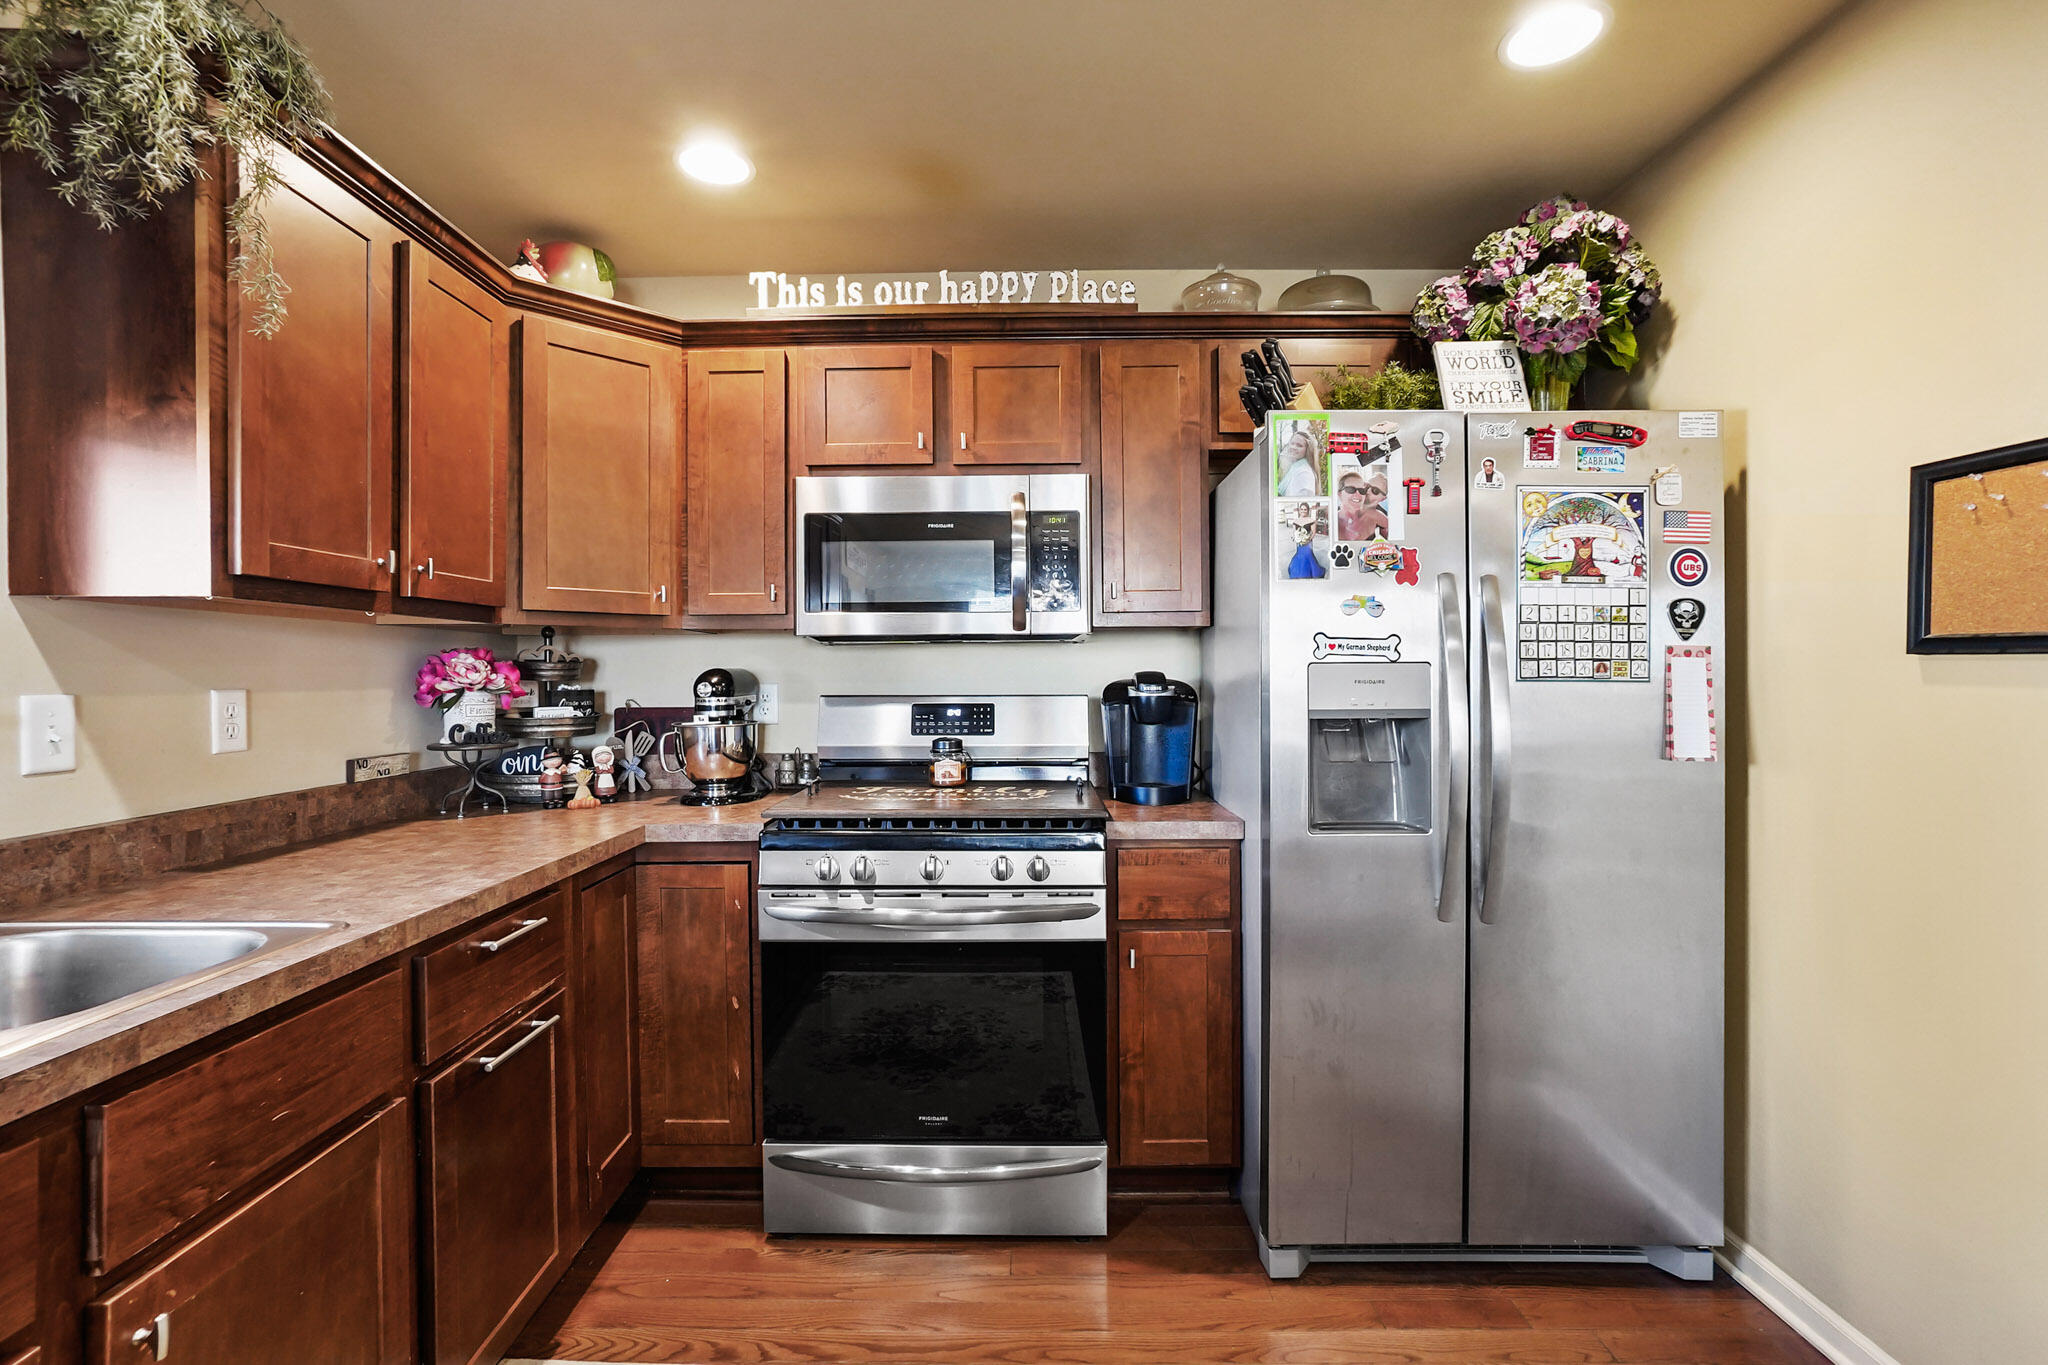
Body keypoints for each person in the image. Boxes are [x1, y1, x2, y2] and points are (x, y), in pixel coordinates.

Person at [1335, 468, 1390, 541]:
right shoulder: (1342, 508)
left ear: (1383, 498)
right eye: (1367, 486)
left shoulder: (1382, 518)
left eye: (1375, 490)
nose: (1368, 491)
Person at [1274, 426, 1322, 498]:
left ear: (1308, 450)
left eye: (1299, 445)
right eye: (1292, 443)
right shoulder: (1294, 468)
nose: (1293, 447)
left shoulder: (1304, 473)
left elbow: (1303, 501)